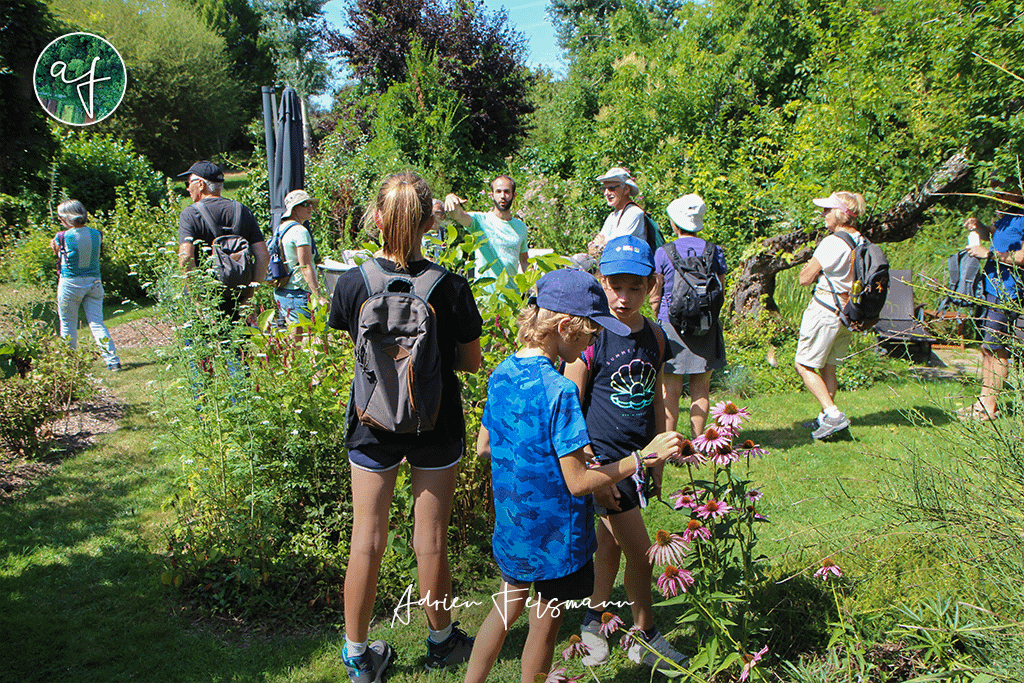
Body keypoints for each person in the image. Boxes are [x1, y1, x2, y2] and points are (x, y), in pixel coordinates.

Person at [465, 268, 683, 683]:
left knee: (504, 610)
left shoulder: (502, 374)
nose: (594, 341)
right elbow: (578, 483)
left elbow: (486, 446)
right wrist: (641, 457)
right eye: (589, 334)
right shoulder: (560, 390)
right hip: (554, 539)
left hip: (513, 526)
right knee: (544, 627)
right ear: (564, 327)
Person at [328, 172, 483, 681]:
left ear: (376, 219)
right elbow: (470, 362)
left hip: (372, 423)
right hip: (435, 424)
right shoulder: (450, 288)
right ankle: (440, 640)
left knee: (365, 538)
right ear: (427, 222)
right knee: (430, 539)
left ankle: (357, 656)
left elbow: (352, 347)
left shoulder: (353, 284)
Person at [563, 237, 686, 670]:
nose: (623, 298)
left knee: (610, 549)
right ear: (602, 281)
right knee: (641, 552)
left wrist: (660, 453)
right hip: (604, 465)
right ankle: (645, 636)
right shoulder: (591, 338)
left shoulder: (654, 335)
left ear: (651, 285)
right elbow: (571, 409)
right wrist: (592, 475)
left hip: (639, 460)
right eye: (616, 286)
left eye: (635, 288)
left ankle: (596, 618)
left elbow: (655, 398)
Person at [650, 194, 727, 436]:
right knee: (701, 390)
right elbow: (720, 290)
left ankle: (670, 443)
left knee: (669, 391)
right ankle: (697, 442)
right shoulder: (716, 251)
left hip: (671, 326)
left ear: (674, 223)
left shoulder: (664, 252)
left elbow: (655, 292)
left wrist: (660, 316)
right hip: (705, 325)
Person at [793, 191, 868, 440]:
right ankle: (825, 418)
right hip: (847, 312)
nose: (823, 215)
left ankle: (833, 414)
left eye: (827, 210)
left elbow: (805, 278)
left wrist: (809, 269)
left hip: (825, 310)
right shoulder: (861, 240)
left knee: (804, 364)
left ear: (839, 214)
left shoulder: (832, 242)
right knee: (829, 367)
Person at [961, 179, 1024, 421]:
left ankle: (990, 406)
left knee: (997, 348)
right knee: (987, 348)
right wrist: (982, 227)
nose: (999, 193)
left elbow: (1021, 257)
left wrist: (988, 254)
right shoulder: (1007, 214)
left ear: (1018, 191)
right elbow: (1000, 237)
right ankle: (982, 401)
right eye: (997, 189)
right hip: (992, 287)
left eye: (1006, 188)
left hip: (1009, 292)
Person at [177, 161, 269, 323]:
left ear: (200, 184)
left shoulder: (190, 214)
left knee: (203, 346)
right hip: (238, 298)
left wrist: (198, 300)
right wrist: (249, 296)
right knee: (239, 347)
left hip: (207, 297)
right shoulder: (242, 210)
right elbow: (263, 255)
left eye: (188, 183)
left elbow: (185, 258)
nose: (187, 188)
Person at [50, 199, 121, 371]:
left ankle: (70, 365)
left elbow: (56, 254)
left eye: (60, 217)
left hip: (70, 283)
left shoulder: (61, 237)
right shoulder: (97, 233)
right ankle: (112, 360)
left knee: (67, 324)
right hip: (94, 282)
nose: (59, 220)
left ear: (67, 218)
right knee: (97, 322)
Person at [443, 175, 529, 282]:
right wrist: (450, 199)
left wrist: (536, 288)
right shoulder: (480, 221)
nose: (502, 196)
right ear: (492, 195)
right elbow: (458, 216)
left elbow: (525, 261)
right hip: (485, 296)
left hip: (512, 295)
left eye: (507, 192)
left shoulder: (520, 227)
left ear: (514, 195)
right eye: (498, 191)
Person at [273, 189, 326, 339]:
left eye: (310, 203)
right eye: (304, 204)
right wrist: (319, 296)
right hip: (298, 292)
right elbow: (305, 266)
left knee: (293, 342)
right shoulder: (300, 231)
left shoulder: (281, 228)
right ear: (294, 209)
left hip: (282, 290)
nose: (310, 207)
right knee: (307, 342)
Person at [588, 167, 646, 261]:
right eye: (604, 188)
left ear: (626, 189)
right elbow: (594, 249)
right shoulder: (612, 217)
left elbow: (618, 248)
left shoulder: (634, 213)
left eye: (611, 188)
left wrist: (602, 245)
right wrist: (600, 245)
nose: (606, 193)